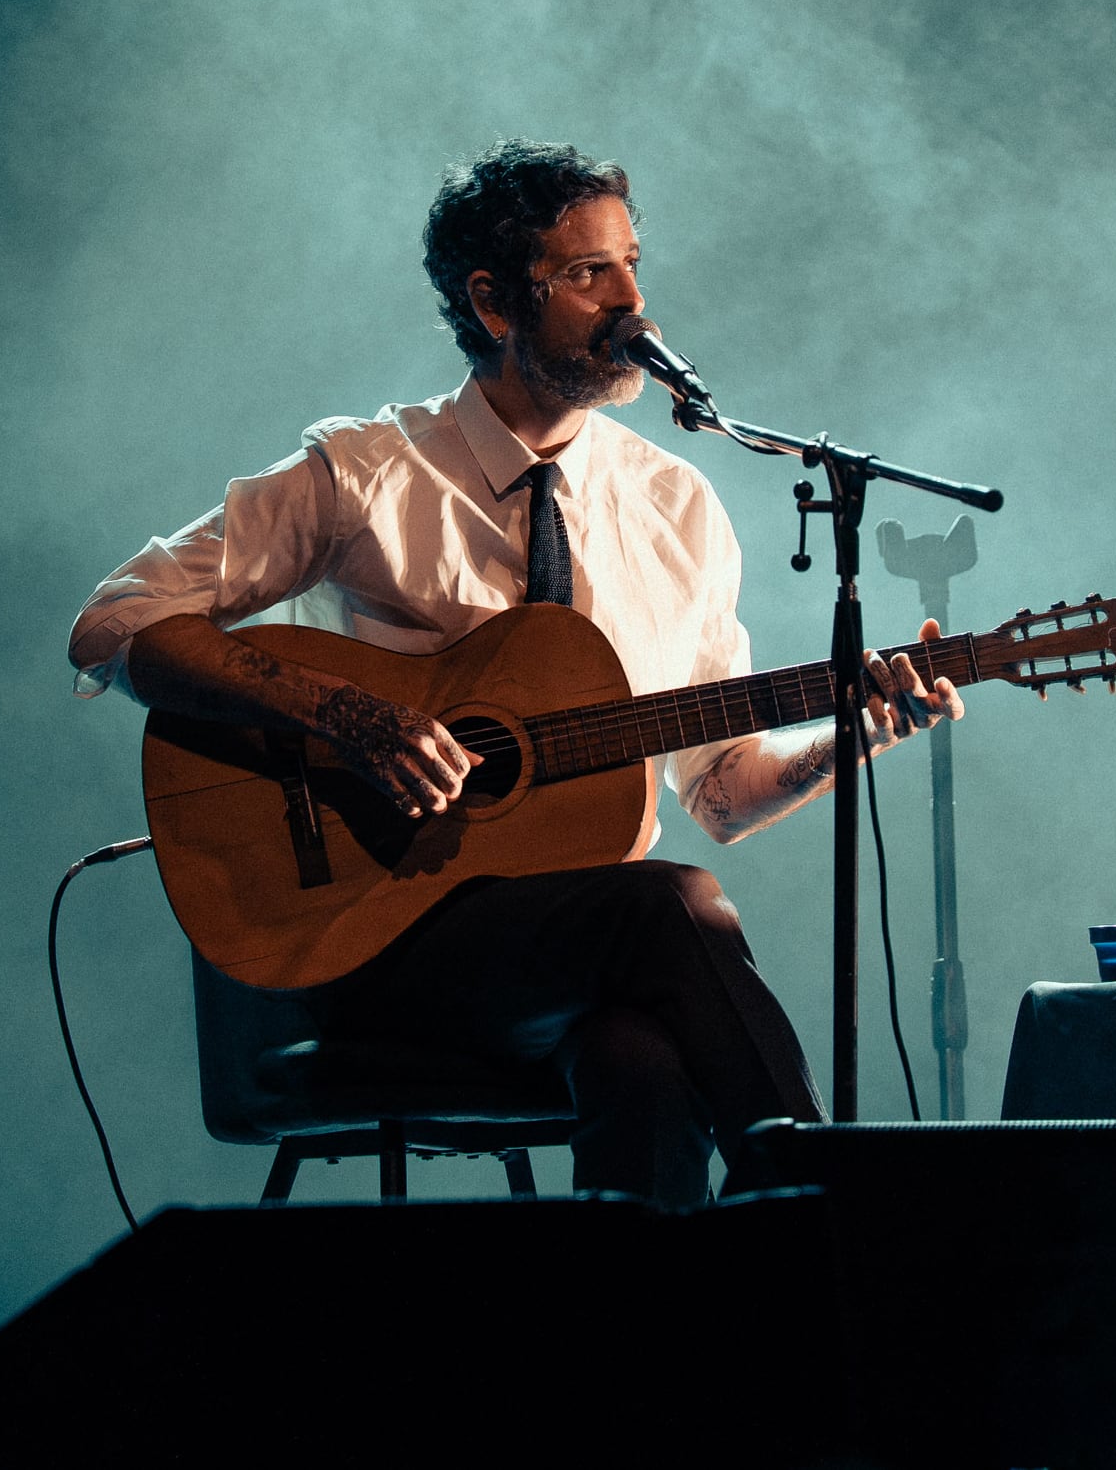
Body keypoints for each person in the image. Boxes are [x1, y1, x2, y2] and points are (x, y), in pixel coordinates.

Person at [68, 139, 960, 1208]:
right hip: (374, 942)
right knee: (665, 906)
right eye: (588, 274)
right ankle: (837, 1217)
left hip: (573, 957)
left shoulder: (674, 509)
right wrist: (343, 713)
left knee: (644, 1057)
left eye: (633, 264)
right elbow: (115, 622)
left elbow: (718, 793)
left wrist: (849, 735)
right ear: (493, 303)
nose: (634, 303)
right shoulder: (365, 473)